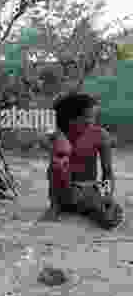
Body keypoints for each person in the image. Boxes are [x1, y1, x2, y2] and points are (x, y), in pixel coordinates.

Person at [43, 93, 123, 229]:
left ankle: (98, 209)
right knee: (58, 164)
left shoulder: (101, 135)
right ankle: (56, 206)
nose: (91, 121)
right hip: (65, 192)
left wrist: (108, 195)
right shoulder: (58, 135)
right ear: (71, 119)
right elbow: (53, 170)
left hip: (89, 191)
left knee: (108, 218)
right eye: (87, 117)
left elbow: (107, 172)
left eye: (93, 117)